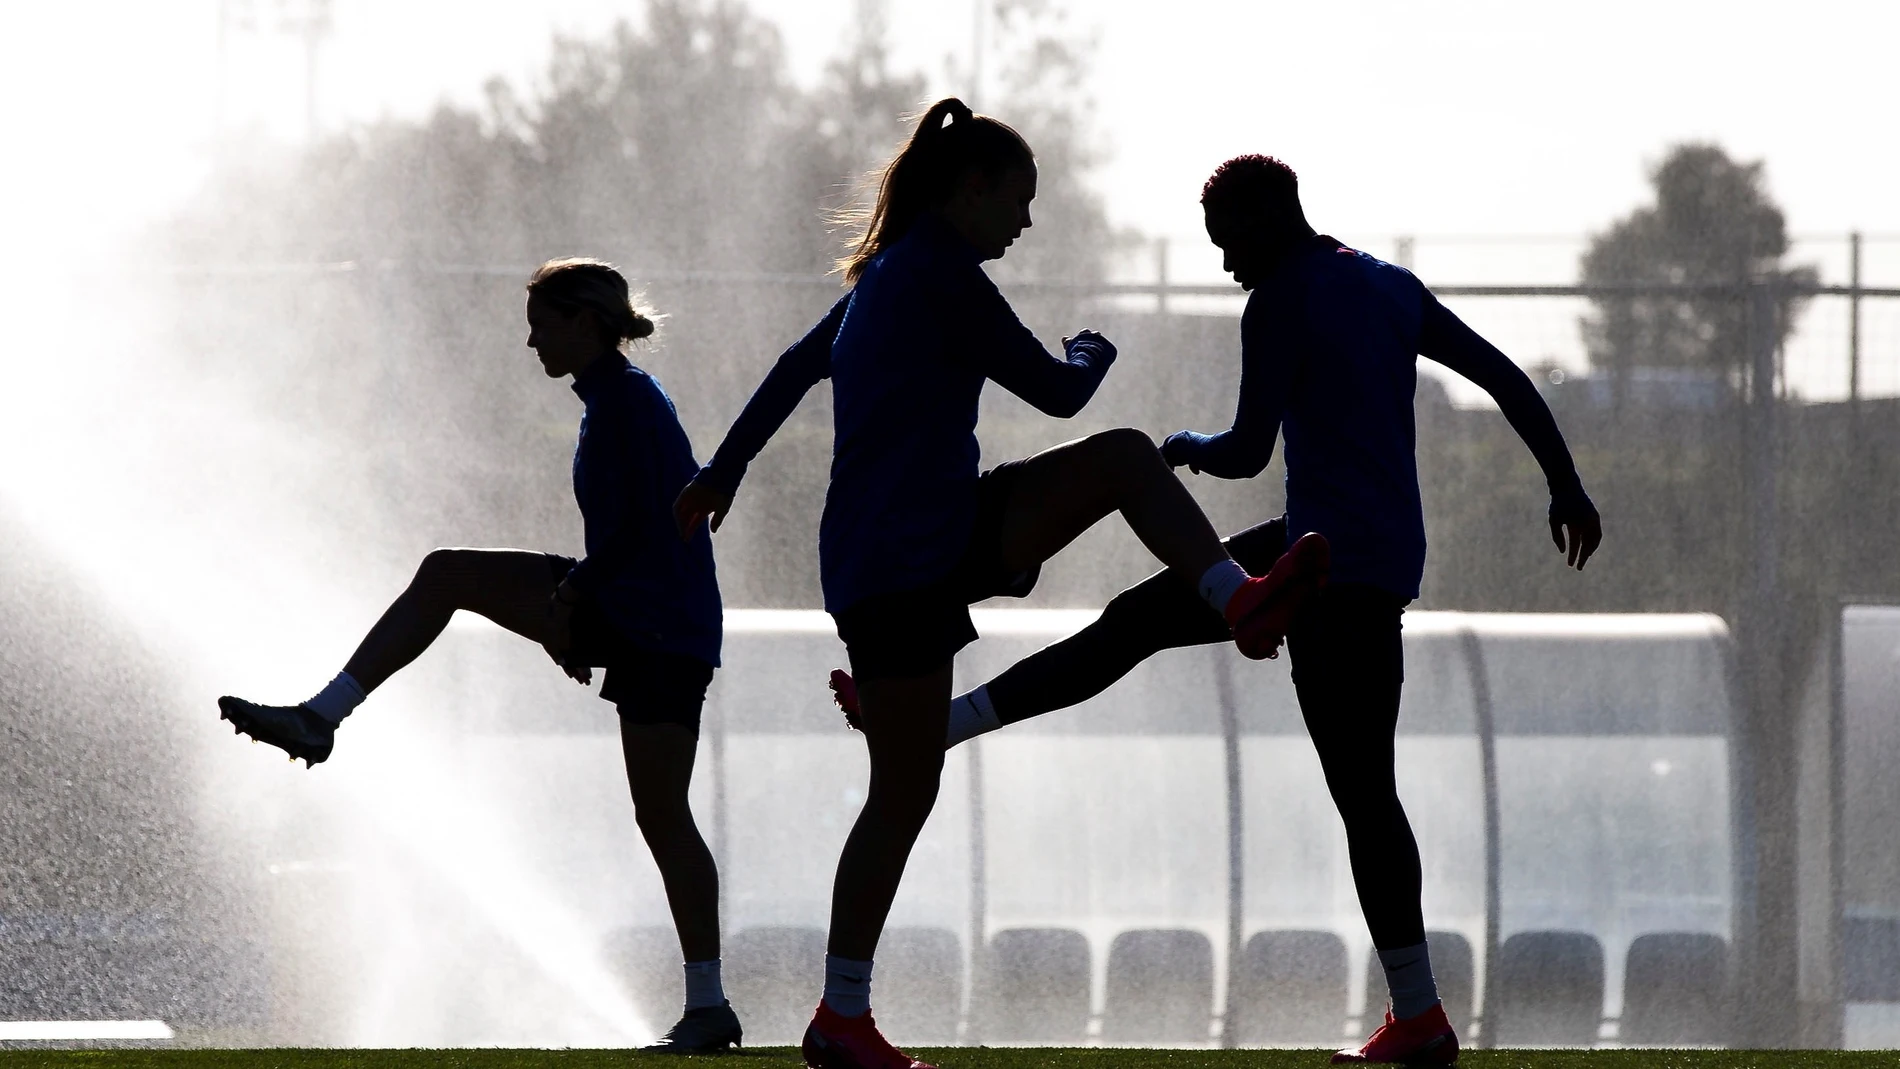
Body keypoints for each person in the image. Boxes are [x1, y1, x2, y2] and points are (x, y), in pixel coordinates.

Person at [828, 155, 1604, 1064]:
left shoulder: (1278, 298)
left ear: (1271, 220)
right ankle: (969, 716)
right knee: (1152, 628)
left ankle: (1422, 1017)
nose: (1229, 264)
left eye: (1231, 243)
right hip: (1372, 555)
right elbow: (1506, 377)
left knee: (1354, 785)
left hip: (1324, 569)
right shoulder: (1391, 286)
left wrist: (1184, 447)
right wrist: (1566, 483)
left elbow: (1243, 449)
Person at [673, 102, 1319, 1069]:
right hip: (904, 556)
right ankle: (840, 1015)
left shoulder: (886, 273)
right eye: (1017, 201)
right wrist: (1094, 348)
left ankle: (1238, 598)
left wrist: (724, 469)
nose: (1024, 222)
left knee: (1121, 462)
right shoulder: (938, 273)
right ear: (966, 189)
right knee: (903, 788)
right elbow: (1059, 388)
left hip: (922, 535)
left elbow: (790, 368)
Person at [216, 259, 744, 1054]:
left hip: (661, 627)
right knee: (447, 574)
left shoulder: (627, 402)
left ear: (583, 322)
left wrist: (569, 606)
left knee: (662, 814)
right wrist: (574, 610)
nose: (530, 339)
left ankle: (709, 1006)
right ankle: (321, 715)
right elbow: (626, 536)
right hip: (638, 613)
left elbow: (648, 528)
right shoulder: (614, 398)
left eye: (542, 322)